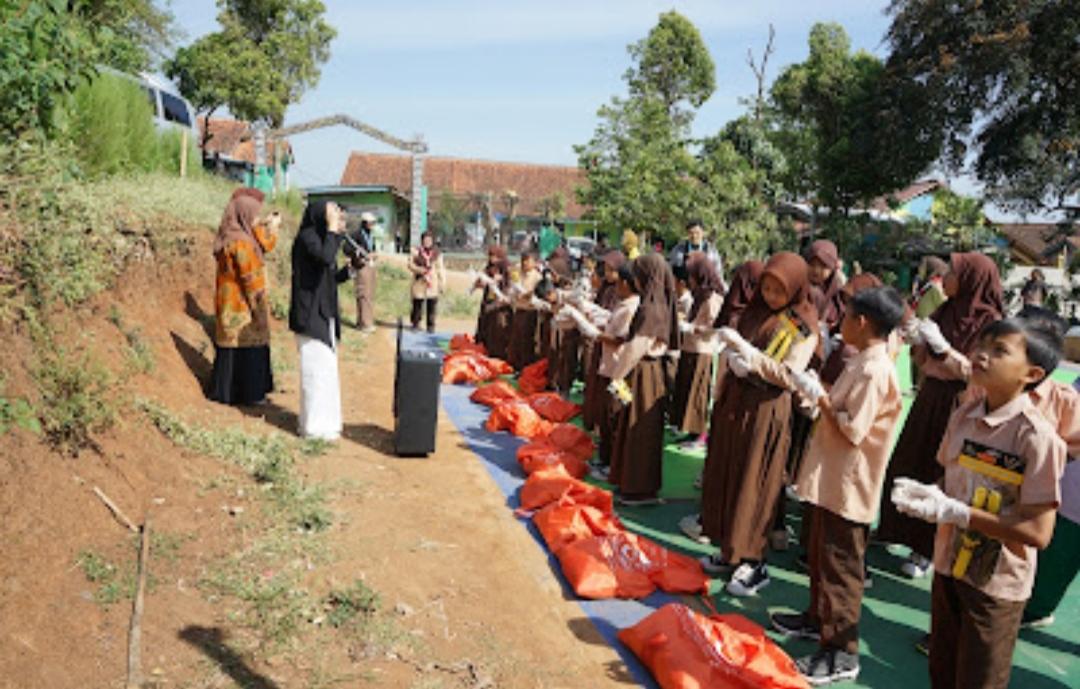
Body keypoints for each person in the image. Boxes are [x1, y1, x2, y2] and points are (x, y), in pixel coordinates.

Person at [891, 317, 1066, 689]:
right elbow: (949, 478)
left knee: (978, 680)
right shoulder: (964, 415)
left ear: (1032, 374)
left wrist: (959, 513)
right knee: (942, 671)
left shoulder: (1037, 439)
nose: (981, 355)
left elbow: (1038, 532)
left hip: (995, 585)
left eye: (999, 350)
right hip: (949, 565)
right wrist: (929, 495)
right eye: (981, 345)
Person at [769, 287, 906, 685]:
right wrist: (820, 395)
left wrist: (822, 399)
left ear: (862, 323)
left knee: (841, 570)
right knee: (821, 556)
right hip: (832, 477)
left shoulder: (875, 369)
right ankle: (817, 620)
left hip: (849, 485)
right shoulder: (862, 359)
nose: (839, 323)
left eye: (845, 317)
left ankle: (842, 652)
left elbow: (853, 429)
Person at [699, 252, 821, 596]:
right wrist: (731, 357)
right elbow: (738, 344)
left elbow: (788, 373)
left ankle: (754, 560)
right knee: (729, 472)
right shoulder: (755, 311)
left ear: (795, 288)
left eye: (779, 290)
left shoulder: (801, 324)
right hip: (736, 401)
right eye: (766, 287)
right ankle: (730, 549)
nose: (771, 296)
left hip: (766, 407)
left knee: (756, 479)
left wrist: (750, 359)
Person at [878, 253, 1005, 578]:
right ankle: (894, 529)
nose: (944, 279)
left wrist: (945, 349)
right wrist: (919, 342)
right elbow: (923, 359)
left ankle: (926, 549)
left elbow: (977, 373)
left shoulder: (990, 324)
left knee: (942, 469)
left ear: (972, 280)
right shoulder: (946, 309)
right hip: (931, 394)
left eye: (953, 273)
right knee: (910, 459)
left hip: (961, 402)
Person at [606, 254, 678, 505]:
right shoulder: (659, 303)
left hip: (642, 375)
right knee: (634, 426)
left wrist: (616, 378)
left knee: (639, 430)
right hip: (645, 374)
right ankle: (631, 483)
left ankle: (638, 489)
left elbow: (636, 347)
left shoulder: (651, 308)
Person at [288, 201, 356, 441]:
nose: (335, 218)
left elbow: (329, 276)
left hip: (324, 312)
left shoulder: (321, 239)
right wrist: (333, 230)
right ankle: (313, 427)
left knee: (326, 371)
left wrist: (351, 269)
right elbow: (326, 257)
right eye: (331, 213)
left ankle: (326, 423)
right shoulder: (307, 238)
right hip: (309, 314)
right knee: (314, 372)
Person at [209, 188, 280, 406]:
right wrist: (259, 309)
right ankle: (250, 394)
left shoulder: (228, 236)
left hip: (227, 304)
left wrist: (270, 227)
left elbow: (264, 244)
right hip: (243, 306)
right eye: (255, 215)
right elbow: (251, 280)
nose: (257, 219)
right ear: (244, 214)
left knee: (230, 352)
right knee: (250, 349)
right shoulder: (242, 244)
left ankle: (226, 393)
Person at [671, 255, 724, 450]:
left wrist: (691, 328)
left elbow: (714, 327)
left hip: (703, 351)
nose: (690, 280)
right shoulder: (699, 296)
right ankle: (692, 431)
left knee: (698, 395)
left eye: (692, 275)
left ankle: (700, 436)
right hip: (690, 349)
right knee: (688, 392)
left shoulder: (712, 298)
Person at [582, 251, 626, 432]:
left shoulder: (625, 295)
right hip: (602, 341)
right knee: (597, 385)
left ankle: (609, 429)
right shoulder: (606, 288)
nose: (607, 274)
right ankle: (595, 422)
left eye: (611, 270)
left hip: (614, 348)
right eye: (606, 269)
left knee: (613, 392)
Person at [474, 245, 513, 360]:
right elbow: (481, 282)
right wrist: (481, 282)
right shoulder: (489, 268)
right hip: (488, 301)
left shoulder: (507, 268)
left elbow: (510, 285)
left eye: (495, 256)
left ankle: (499, 356)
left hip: (501, 305)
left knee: (498, 330)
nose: (492, 259)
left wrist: (500, 283)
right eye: (490, 256)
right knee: (486, 327)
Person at [508, 250, 543, 370]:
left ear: (534, 262)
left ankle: (525, 366)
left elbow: (538, 293)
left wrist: (527, 294)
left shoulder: (537, 277)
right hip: (519, 310)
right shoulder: (519, 273)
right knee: (516, 339)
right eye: (523, 260)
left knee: (526, 340)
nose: (525, 263)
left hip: (530, 312)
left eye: (528, 261)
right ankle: (515, 366)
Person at [805, 239, 845, 336]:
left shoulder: (838, 297)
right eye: (812, 264)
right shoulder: (798, 289)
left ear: (832, 269)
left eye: (823, 266)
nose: (816, 270)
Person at [408, 232, 445, 333]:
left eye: (429, 240)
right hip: (419, 280)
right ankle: (416, 323)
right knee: (417, 304)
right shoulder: (415, 251)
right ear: (422, 241)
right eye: (425, 240)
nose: (427, 242)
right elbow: (410, 265)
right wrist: (420, 270)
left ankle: (430, 325)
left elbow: (440, 269)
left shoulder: (437, 253)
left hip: (432, 282)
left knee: (432, 305)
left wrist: (442, 283)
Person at [347, 211, 378, 333]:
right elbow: (347, 248)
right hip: (361, 267)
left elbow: (372, 248)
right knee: (363, 294)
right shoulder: (356, 235)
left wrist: (373, 254)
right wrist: (358, 255)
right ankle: (365, 323)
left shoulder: (370, 235)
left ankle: (363, 322)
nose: (372, 225)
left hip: (370, 266)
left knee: (369, 294)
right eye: (370, 223)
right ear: (364, 223)